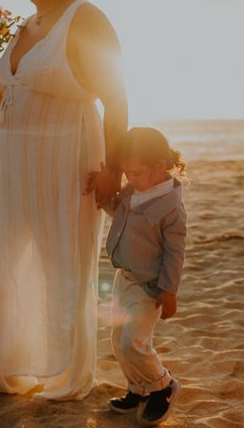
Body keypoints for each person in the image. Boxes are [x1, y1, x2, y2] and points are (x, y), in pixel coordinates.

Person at [0, 0, 128, 400]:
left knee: (61, 267)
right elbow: (10, 96)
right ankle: (2, 369)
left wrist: (114, 169)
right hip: (10, 163)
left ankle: (64, 378)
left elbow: (116, 96)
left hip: (66, 156)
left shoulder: (85, 18)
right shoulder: (24, 27)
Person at [90, 128, 187, 426]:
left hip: (149, 287)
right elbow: (121, 218)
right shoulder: (133, 191)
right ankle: (138, 388)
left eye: (135, 173)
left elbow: (174, 253)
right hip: (124, 278)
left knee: (135, 341)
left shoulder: (171, 208)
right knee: (118, 340)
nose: (129, 179)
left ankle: (161, 386)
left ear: (159, 166)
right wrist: (104, 197)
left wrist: (168, 291)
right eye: (127, 173)